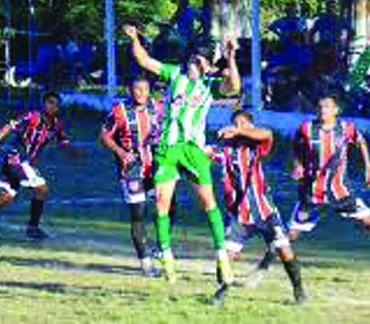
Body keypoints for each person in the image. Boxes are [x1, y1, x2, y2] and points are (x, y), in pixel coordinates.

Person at [123, 23, 240, 303]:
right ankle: (166, 255)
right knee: (162, 204)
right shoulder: (174, 74)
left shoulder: (210, 86)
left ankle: (222, 254)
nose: (192, 62)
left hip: (193, 151)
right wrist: (135, 38)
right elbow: (143, 60)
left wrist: (231, 57)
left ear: (207, 67)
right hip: (167, 149)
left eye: (198, 60)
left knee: (208, 203)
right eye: (191, 59)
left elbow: (234, 86)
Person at [212, 110, 306, 304]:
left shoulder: (257, 144)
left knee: (284, 250)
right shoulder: (225, 148)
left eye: (243, 123)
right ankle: (223, 290)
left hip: (265, 211)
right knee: (224, 259)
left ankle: (298, 290)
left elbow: (267, 134)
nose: (239, 126)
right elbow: (204, 152)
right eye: (236, 123)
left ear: (250, 126)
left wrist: (238, 131)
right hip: (240, 214)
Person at [0, 92, 81, 241]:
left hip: (22, 163)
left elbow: (63, 142)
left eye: (56, 104)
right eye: (50, 102)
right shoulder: (32, 117)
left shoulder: (56, 124)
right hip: (17, 160)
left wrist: (73, 151)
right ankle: (33, 229)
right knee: (42, 188)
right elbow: (8, 127)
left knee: (6, 196)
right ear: (44, 104)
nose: (53, 106)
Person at [288, 95, 370, 243]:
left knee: (369, 222)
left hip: (341, 191)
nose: (322, 109)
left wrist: (369, 168)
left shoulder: (346, 128)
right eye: (319, 106)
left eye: (327, 106)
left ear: (336, 110)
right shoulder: (307, 128)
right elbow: (295, 144)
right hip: (312, 191)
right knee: (292, 234)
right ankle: (271, 263)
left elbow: (361, 141)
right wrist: (297, 164)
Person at [100, 75, 167, 277]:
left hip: (155, 167)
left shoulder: (157, 107)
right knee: (138, 214)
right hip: (132, 170)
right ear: (129, 91)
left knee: (167, 206)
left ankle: (160, 246)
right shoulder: (119, 111)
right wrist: (121, 153)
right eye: (136, 89)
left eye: (144, 89)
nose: (141, 93)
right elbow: (103, 135)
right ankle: (145, 261)